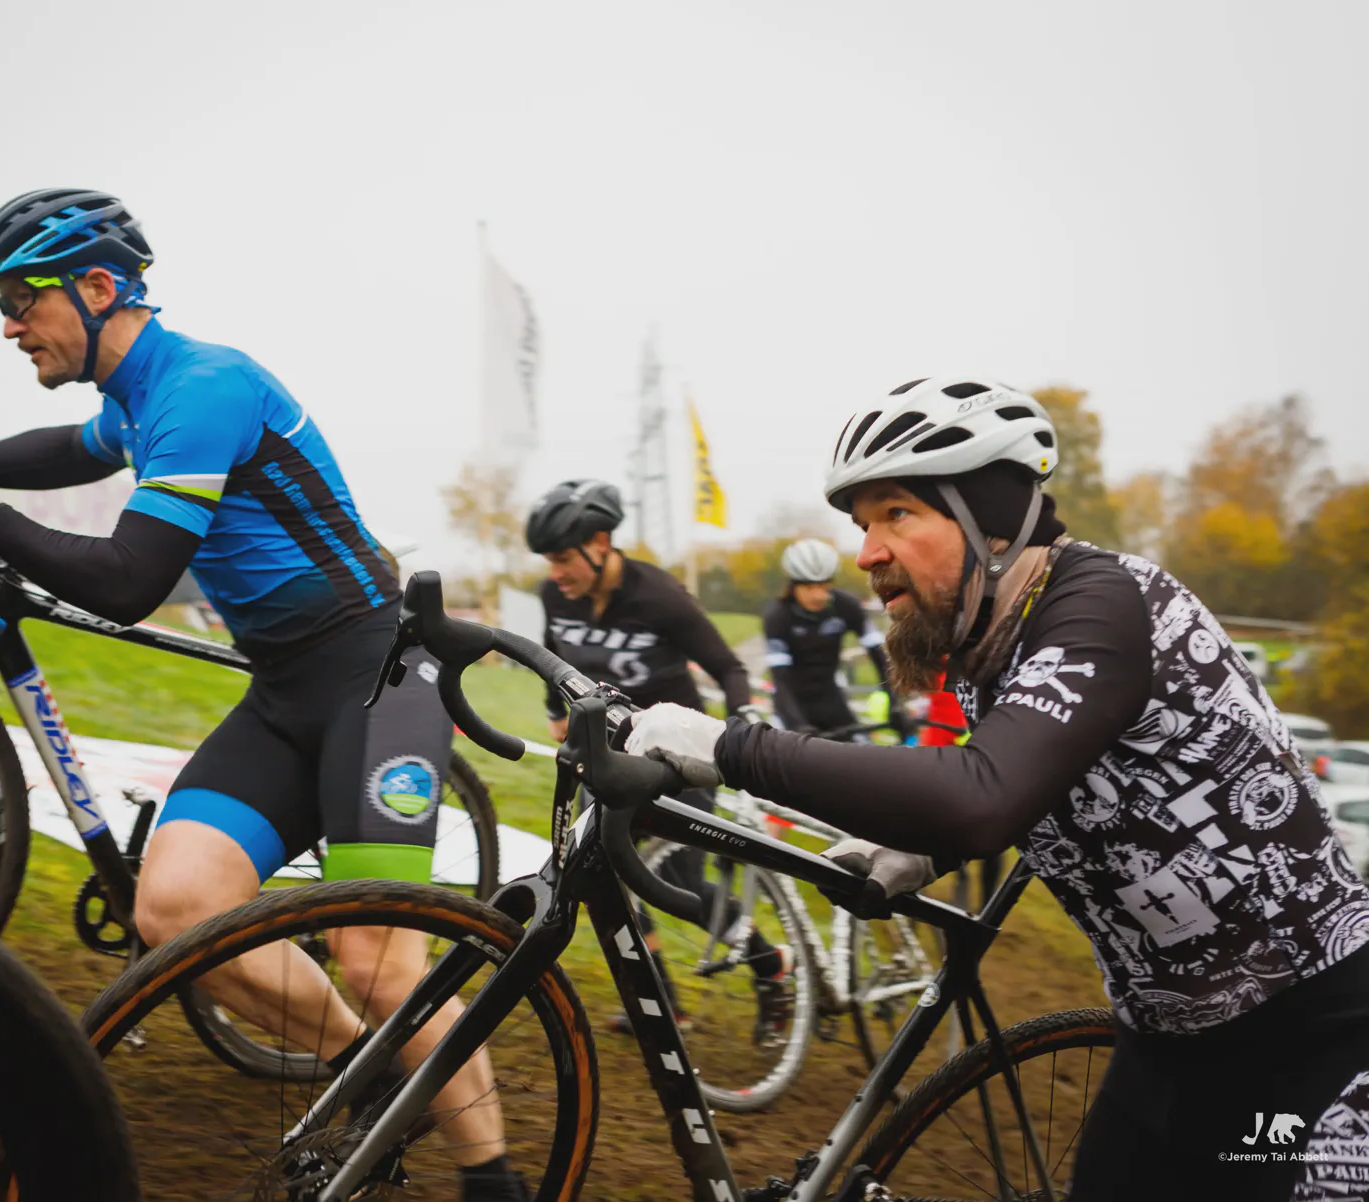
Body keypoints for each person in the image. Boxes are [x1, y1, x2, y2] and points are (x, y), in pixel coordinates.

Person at [0, 188, 526, 1200]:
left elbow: (129, 580)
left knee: (376, 958)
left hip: (377, 676)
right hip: (288, 688)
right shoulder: (135, 398)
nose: (9, 325)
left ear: (97, 286)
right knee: (176, 909)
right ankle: (372, 1077)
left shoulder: (204, 388)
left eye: (20, 299)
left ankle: (493, 1174)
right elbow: (67, 449)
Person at [627, 377, 1369, 1201]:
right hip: (1160, 1045)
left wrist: (727, 747)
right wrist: (927, 849)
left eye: (897, 513)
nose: (867, 552)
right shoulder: (998, 650)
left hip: (1310, 1044)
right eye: (863, 525)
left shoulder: (1103, 606)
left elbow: (983, 793)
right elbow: (1061, 781)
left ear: (991, 525)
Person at [525, 479, 792, 1040]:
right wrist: (555, 709)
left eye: (563, 558)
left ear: (600, 544)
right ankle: (664, 1002)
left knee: (679, 888)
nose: (556, 573)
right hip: (602, 757)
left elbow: (728, 667)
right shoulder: (556, 595)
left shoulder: (659, 596)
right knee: (599, 873)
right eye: (549, 561)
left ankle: (770, 965)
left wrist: (742, 723)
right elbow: (552, 655)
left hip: (676, 760)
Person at [762, 537, 896, 736]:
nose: (818, 595)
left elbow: (879, 656)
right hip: (791, 705)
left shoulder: (846, 606)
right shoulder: (778, 617)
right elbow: (780, 679)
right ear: (793, 586)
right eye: (809, 588)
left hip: (830, 698)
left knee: (859, 749)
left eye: (824, 586)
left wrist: (895, 703)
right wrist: (798, 726)